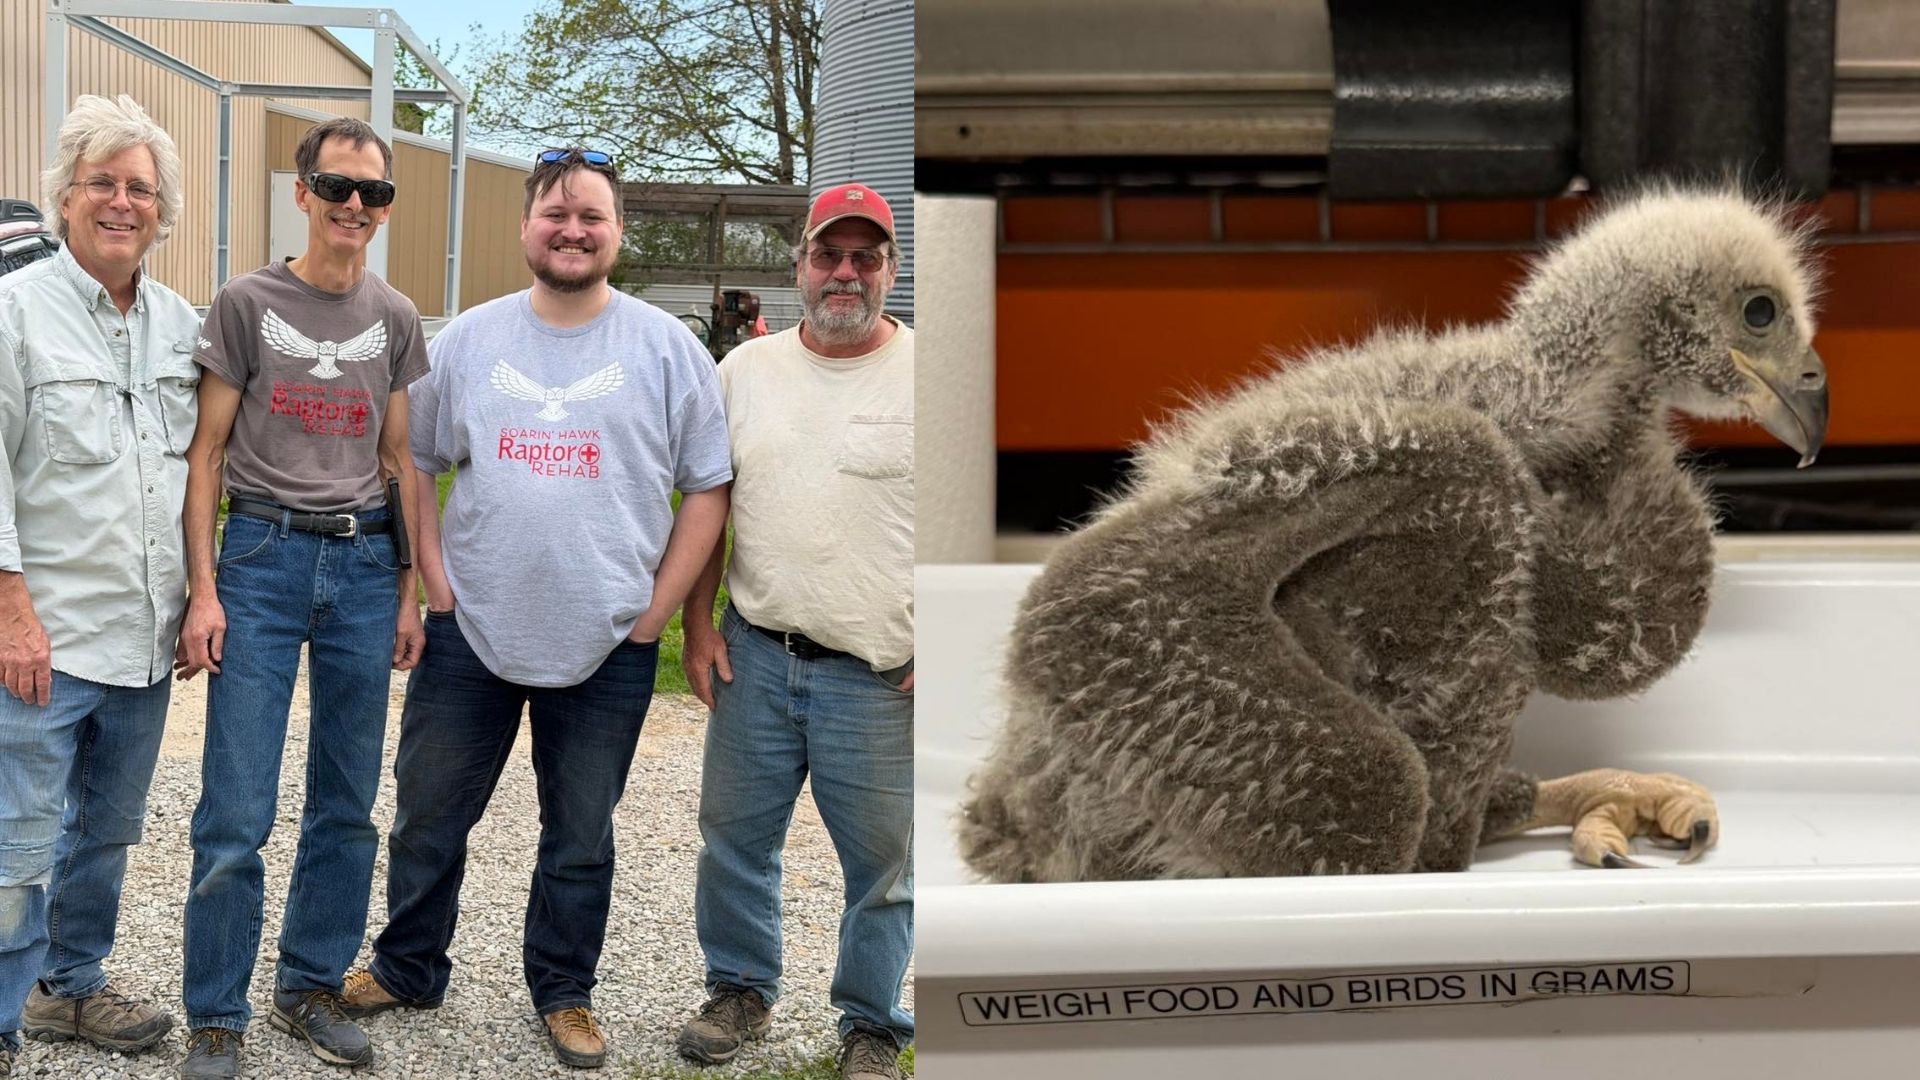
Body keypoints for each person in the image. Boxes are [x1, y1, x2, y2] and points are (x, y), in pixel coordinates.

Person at [335, 148, 732, 1070]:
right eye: (555, 214)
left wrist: (656, 614)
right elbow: (415, 462)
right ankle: (407, 966)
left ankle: (563, 991)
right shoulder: (470, 339)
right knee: (429, 813)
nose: (572, 230)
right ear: (525, 230)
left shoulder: (667, 348)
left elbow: (708, 487)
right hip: (471, 629)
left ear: (617, 233)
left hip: (609, 640)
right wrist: (433, 579)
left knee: (581, 834)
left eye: (591, 216)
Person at [174, 115, 427, 1079]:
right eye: (337, 187)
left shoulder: (397, 317)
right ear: (303, 193)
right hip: (263, 559)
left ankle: (309, 986)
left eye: (373, 193)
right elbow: (204, 456)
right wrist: (205, 590)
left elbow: (401, 462)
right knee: (236, 805)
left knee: (348, 802)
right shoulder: (246, 302)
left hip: (364, 566)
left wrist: (406, 593)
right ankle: (215, 1013)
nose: (355, 206)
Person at [675, 183, 914, 1080]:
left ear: (891, 269)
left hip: (880, 674)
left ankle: (872, 1023)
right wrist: (698, 626)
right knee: (735, 840)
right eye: (829, 254)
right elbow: (710, 508)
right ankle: (739, 988)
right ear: (800, 264)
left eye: (866, 257)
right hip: (758, 656)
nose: (845, 273)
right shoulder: (743, 372)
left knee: (885, 866)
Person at [0, 93, 198, 1079]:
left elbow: (202, 472)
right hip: (45, 634)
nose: (122, 202)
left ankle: (69, 987)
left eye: (140, 189)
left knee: (107, 833)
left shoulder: (181, 327)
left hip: (142, 635)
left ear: (162, 212)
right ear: (66, 200)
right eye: (102, 185)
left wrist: (201, 597)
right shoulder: (13, 310)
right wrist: (10, 610)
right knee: (17, 844)